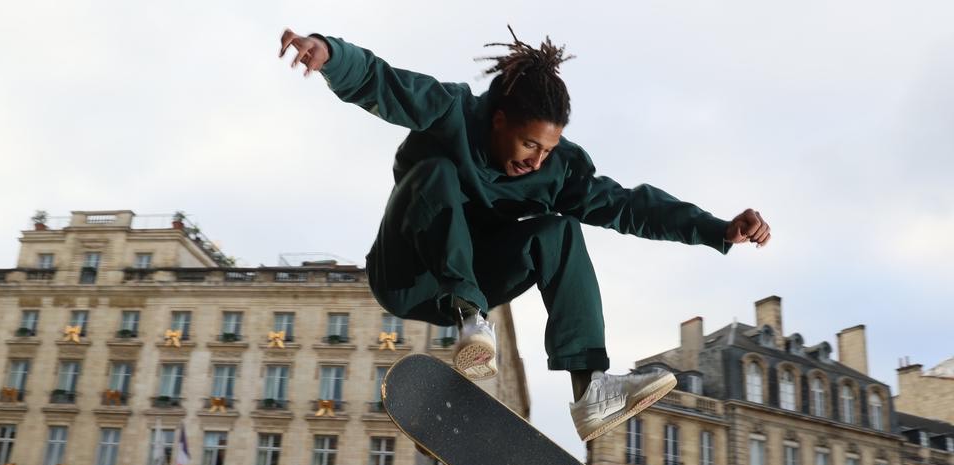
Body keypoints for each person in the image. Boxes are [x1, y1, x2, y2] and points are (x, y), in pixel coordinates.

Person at [278, 28, 771, 441]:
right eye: (529, 143)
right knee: (436, 173)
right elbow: (383, 83)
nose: (535, 160)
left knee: (558, 231)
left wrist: (717, 227)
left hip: (477, 274)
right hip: (406, 272)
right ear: (498, 120)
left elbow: (627, 206)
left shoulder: (555, 171)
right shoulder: (452, 112)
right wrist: (329, 55)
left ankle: (591, 391)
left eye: (547, 149)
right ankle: (471, 319)